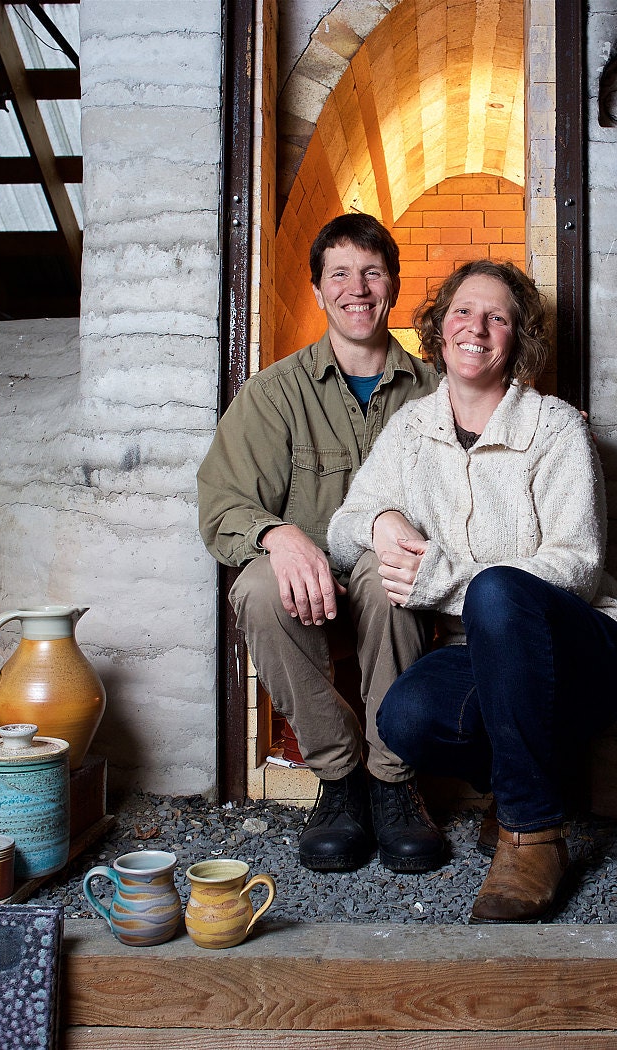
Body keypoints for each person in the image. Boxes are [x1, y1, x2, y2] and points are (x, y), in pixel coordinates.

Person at [327, 260, 617, 922]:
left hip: (590, 646)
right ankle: (513, 787)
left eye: (497, 317)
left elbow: (580, 564)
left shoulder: (554, 427)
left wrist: (445, 578)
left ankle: (533, 835)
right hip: (487, 656)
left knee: (500, 593)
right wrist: (380, 520)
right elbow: (340, 529)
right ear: (440, 327)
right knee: (405, 718)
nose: (476, 327)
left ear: (518, 338)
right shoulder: (412, 431)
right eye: (462, 312)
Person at [197, 213, 446, 874]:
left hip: (398, 584)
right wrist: (278, 536)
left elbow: (493, 466)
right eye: (340, 273)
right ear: (317, 290)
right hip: (309, 586)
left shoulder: (436, 393)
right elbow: (222, 502)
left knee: (385, 569)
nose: (356, 288)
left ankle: (393, 781)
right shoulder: (274, 393)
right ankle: (340, 783)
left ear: (392, 283)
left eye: (371, 271)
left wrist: (546, 427)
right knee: (253, 581)